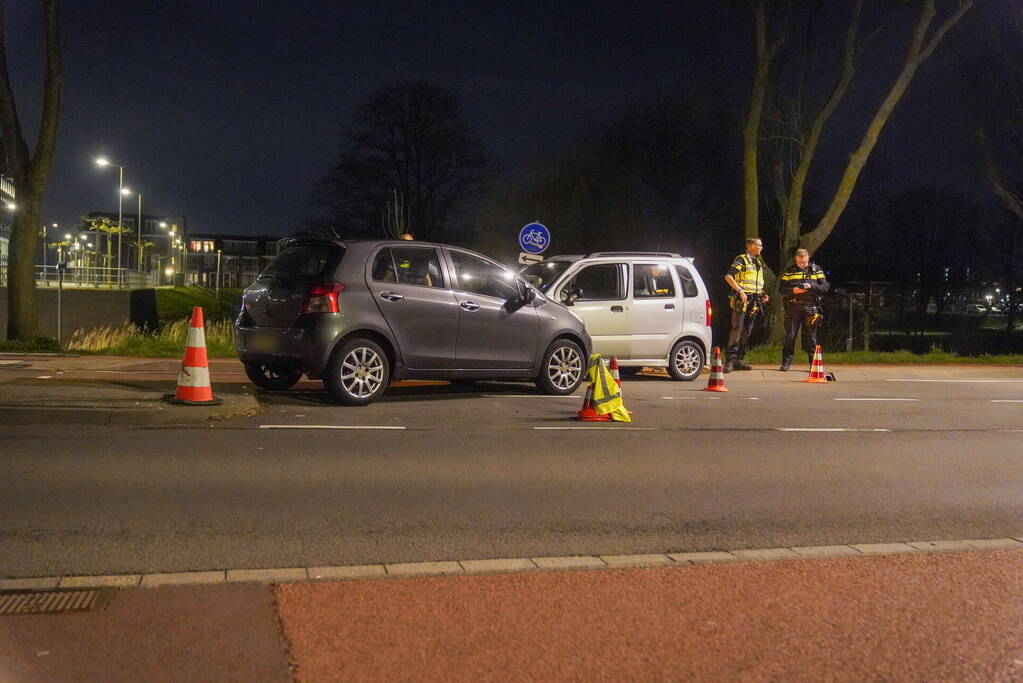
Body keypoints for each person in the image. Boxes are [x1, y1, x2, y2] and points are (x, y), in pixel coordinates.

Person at [723, 237, 769, 372]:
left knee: (747, 332)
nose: (761, 247)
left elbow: (756, 283)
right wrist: (740, 291)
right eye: (759, 245)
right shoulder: (741, 259)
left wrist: (762, 294)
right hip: (742, 300)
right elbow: (728, 277)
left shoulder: (757, 262)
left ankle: (739, 360)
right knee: (737, 329)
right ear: (751, 246)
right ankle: (729, 361)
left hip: (755, 301)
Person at [779, 248, 829, 371]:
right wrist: (792, 290)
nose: (802, 265)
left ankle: (813, 364)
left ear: (808, 259)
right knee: (790, 336)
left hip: (811, 307)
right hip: (793, 306)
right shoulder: (790, 270)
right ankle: (786, 363)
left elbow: (825, 287)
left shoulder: (816, 269)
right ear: (796, 260)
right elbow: (781, 289)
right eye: (800, 262)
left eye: (804, 262)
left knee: (811, 337)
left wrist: (811, 286)